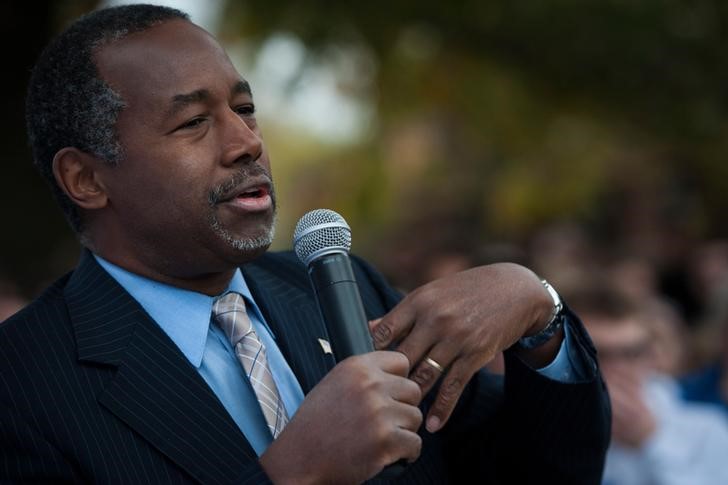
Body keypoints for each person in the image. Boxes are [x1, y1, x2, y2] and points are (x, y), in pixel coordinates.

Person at [0, 4, 609, 484]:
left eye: (246, 108)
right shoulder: (23, 384)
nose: (246, 142)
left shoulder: (343, 290)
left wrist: (538, 315)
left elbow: (542, 472)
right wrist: (295, 475)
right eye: (192, 122)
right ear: (86, 179)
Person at [570, 283, 728, 485]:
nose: (618, 368)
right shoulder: (543, 425)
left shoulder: (707, 429)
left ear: (651, 356)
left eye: (632, 352)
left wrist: (650, 443)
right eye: (598, 353)